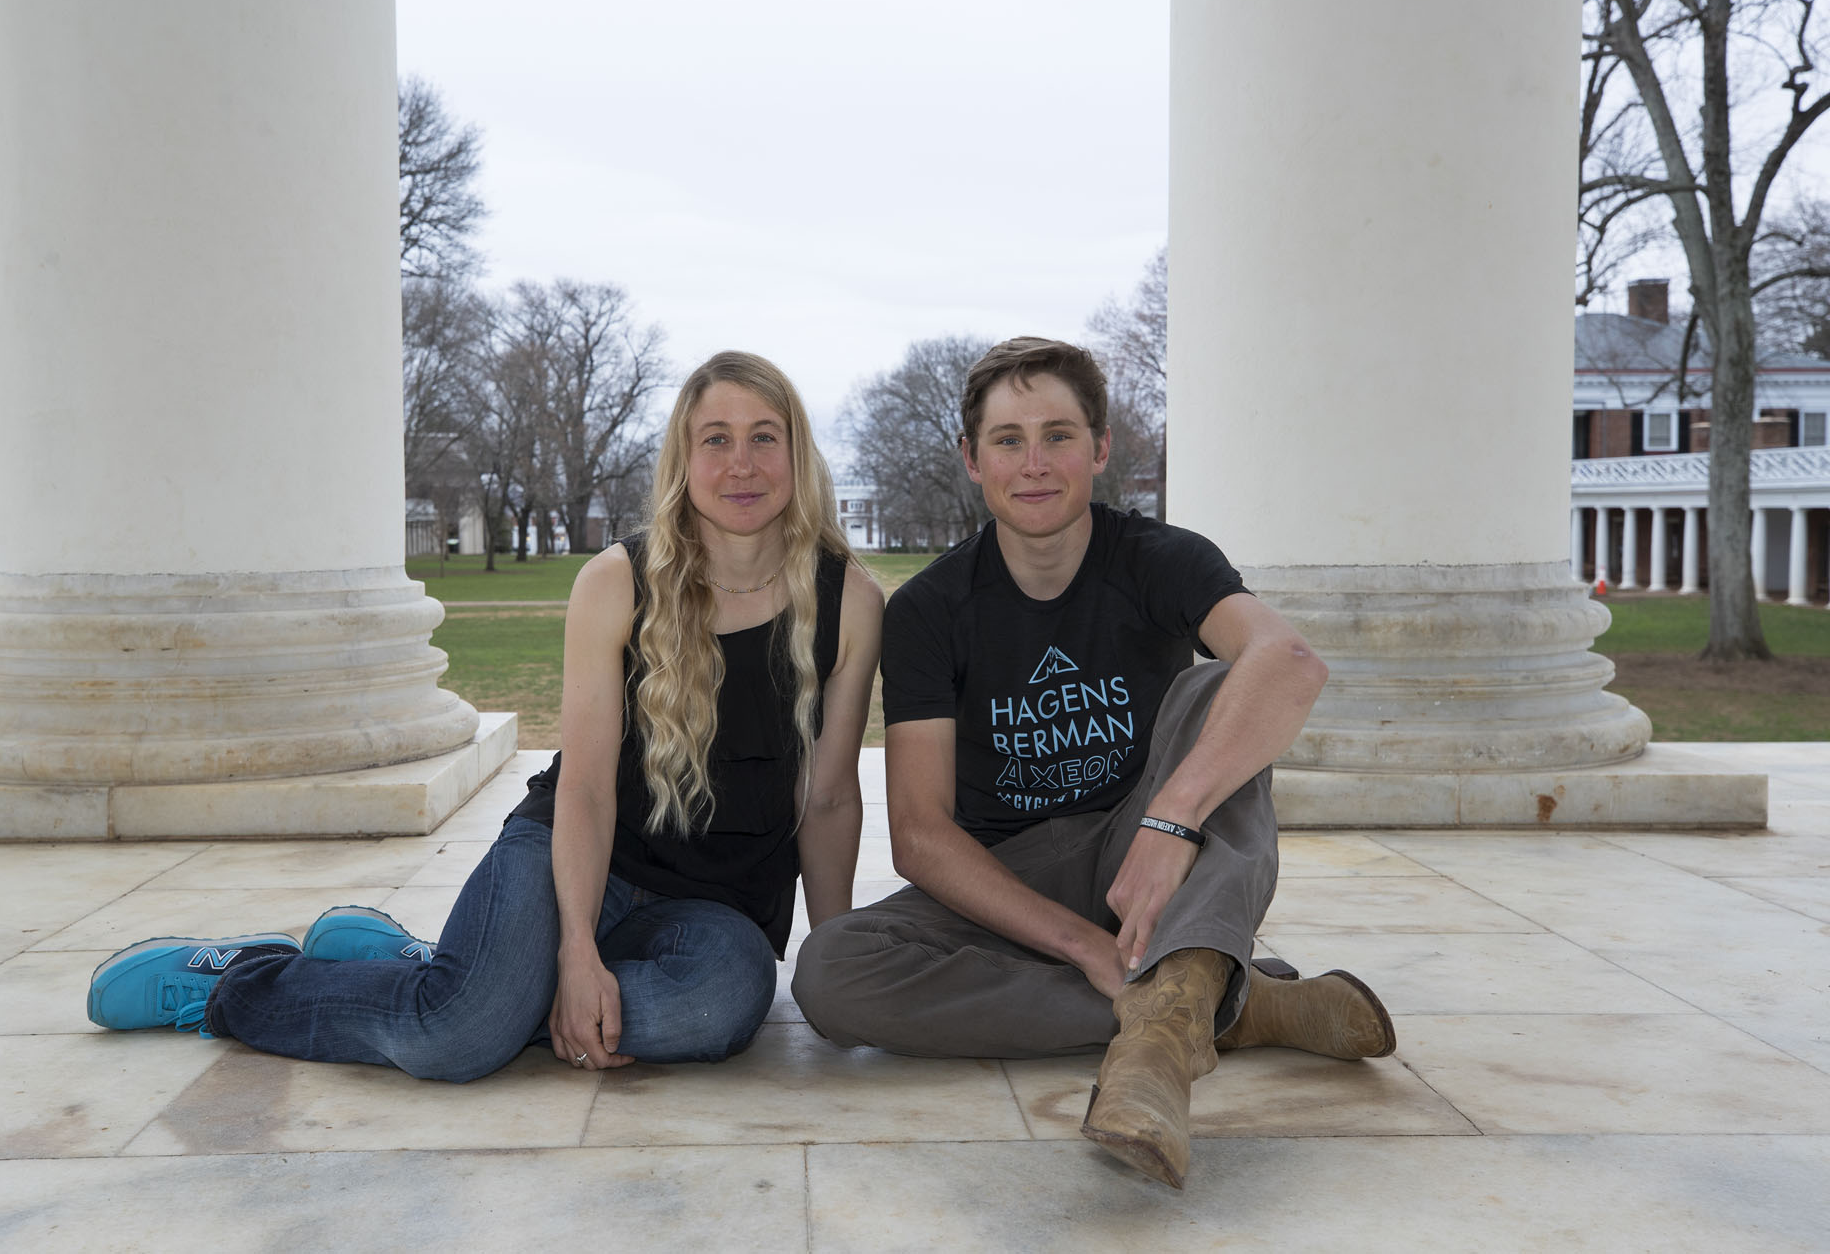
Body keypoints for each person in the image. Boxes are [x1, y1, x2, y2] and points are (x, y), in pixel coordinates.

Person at [88, 351, 884, 1081]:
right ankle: (241, 980)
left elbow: (830, 798)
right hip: (577, 857)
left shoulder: (847, 599)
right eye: (716, 438)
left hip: (714, 914)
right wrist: (574, 949)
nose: (741, 463)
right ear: (684, 459)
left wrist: (837, 964)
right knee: (457, 1036)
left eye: (764, 437)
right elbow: (587, 791)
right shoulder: (617, 583)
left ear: (797, 454)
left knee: (719, 1008)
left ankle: (448, 970)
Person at [791, 337, 1393, 1187]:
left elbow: (1290, 663)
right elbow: (921, 835)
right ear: (971, 459)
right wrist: (1080, 944)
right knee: (830, 971)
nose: (1034, 463)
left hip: (1138, 854)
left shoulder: (1162, 559)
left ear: (1101, 447)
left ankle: (1156, 1053)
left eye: (1059, 434)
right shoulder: (929, 608)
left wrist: (1169, 814)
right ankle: (1219, 1004)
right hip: (1007, 877)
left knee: (1229, 684)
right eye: (1007, 439)